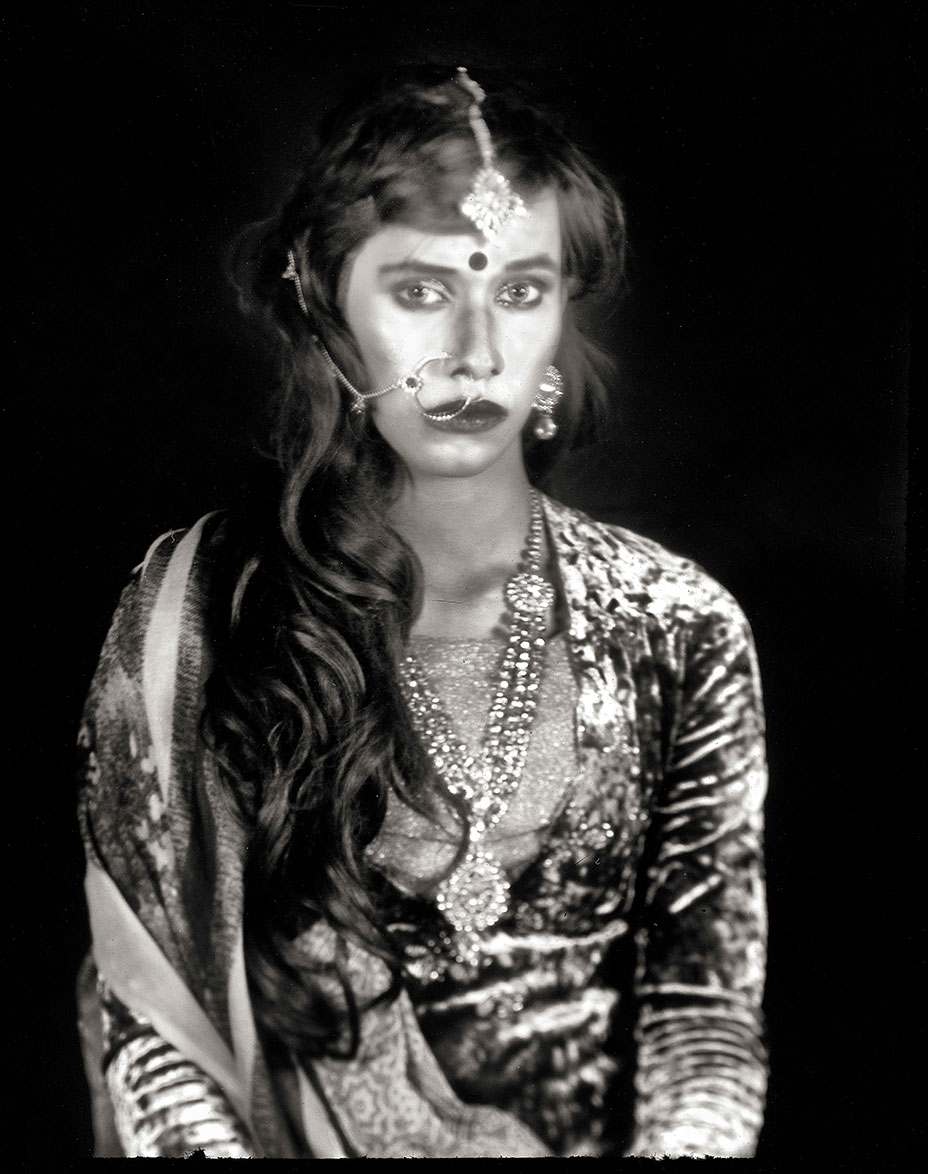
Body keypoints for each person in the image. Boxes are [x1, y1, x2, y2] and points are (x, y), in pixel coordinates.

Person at [75, 66, 768, 1158]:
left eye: (521, 290)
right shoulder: (208, 612)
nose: (476, 355)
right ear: (326, 304)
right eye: (421, 292)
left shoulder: (676, 625)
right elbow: (157, 1031)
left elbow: (705, 1020)